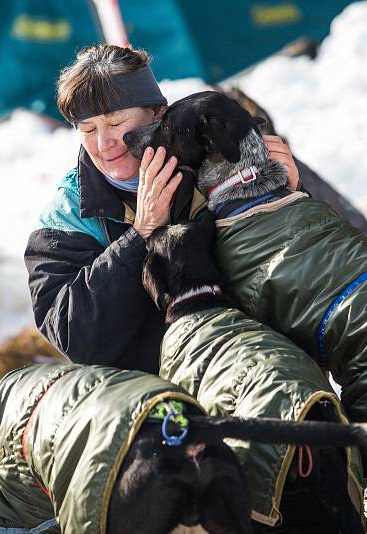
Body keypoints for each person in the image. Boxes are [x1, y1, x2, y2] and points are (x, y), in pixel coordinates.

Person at [24, 44, 301, 373]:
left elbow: (298, 272)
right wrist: (140, 234)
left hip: (266, 363)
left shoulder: (213, 157)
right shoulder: (65, 219)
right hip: (165, 401)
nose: (103, 143)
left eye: (115, 123)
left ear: (158, 113)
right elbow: (76, 338)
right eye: (88, 129)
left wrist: (289, 197)